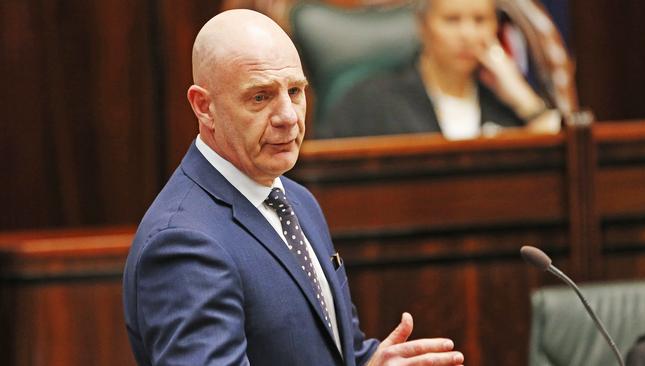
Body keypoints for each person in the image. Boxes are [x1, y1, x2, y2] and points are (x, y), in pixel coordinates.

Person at [122, 9, 464, 366]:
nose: (288, 116)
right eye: (260, 97)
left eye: (296, 91)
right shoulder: (183, 243)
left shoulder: (296, 200)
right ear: (204, 107)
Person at [317, 0, 560, 140]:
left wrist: (524, 100)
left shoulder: (505, 107)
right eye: (452, 20)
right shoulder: (370, 100)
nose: (467, 34)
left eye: (480, 20)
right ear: (422, 26)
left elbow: (552, 162)